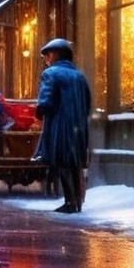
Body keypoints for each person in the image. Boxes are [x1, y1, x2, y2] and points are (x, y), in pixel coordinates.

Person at [35, 38, 91, 213]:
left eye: (48, 56)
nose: (47, 60)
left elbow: (46, 98)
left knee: (62, 162)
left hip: (60, 124)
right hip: (79, 127)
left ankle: (69, 201)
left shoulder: (51, 73)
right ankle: (77, 201)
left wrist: (40, 110)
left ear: (55, 55)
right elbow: (87, 101)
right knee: (75, 163)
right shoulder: (80, 76)